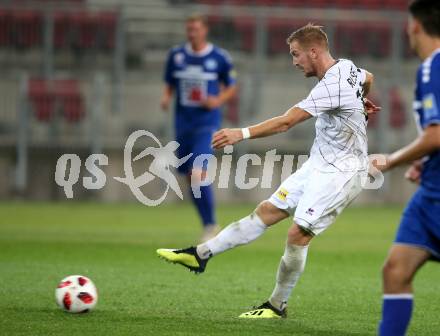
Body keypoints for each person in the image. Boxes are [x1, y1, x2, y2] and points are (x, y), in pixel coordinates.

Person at [158, 23, 379, 318]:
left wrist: (242, 133)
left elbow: (287, 121)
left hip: (342, 173)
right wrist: (361, 101)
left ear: (314, 52)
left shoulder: (331, 85)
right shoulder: (348, 67)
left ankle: (277, 305)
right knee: (267, 211)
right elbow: (369, 77)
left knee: (297, 234)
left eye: (296, 54)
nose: (294, 61)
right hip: (318, 164)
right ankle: (200, 254)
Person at [376, 1, 440, 335]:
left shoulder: (433, 67)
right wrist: (426, 159)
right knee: (396, 270)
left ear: (416, 26)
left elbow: (437, 133)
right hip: (431, 190)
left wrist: (391, 160)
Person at [160, 13, 237, 242]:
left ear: (205, 31)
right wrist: (166, 97)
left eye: (195, 29)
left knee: (197, 172)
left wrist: (217, 100)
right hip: (183, 125)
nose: (192, 33)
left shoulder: (219, 57)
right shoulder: (176, 56)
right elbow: (169, 83)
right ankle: (209, 224)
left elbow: (231, 87)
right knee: (189, 177)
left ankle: (211, 225)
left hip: (207, 124)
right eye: (189, 29)